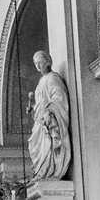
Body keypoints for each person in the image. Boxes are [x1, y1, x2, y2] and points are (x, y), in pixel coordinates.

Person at [27, 50, 72, 180]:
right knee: (35, 145)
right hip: (40, 122)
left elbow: (59, 98)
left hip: (49, 119)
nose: (38, 66)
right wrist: (34, 109)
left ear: (48, 62)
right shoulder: (41, 82)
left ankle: (50, 170)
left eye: (40, 62)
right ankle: (43, 171)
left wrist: (48, 111)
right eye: (36, 63)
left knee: (48, 146)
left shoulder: (53, 78)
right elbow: (39, 104)